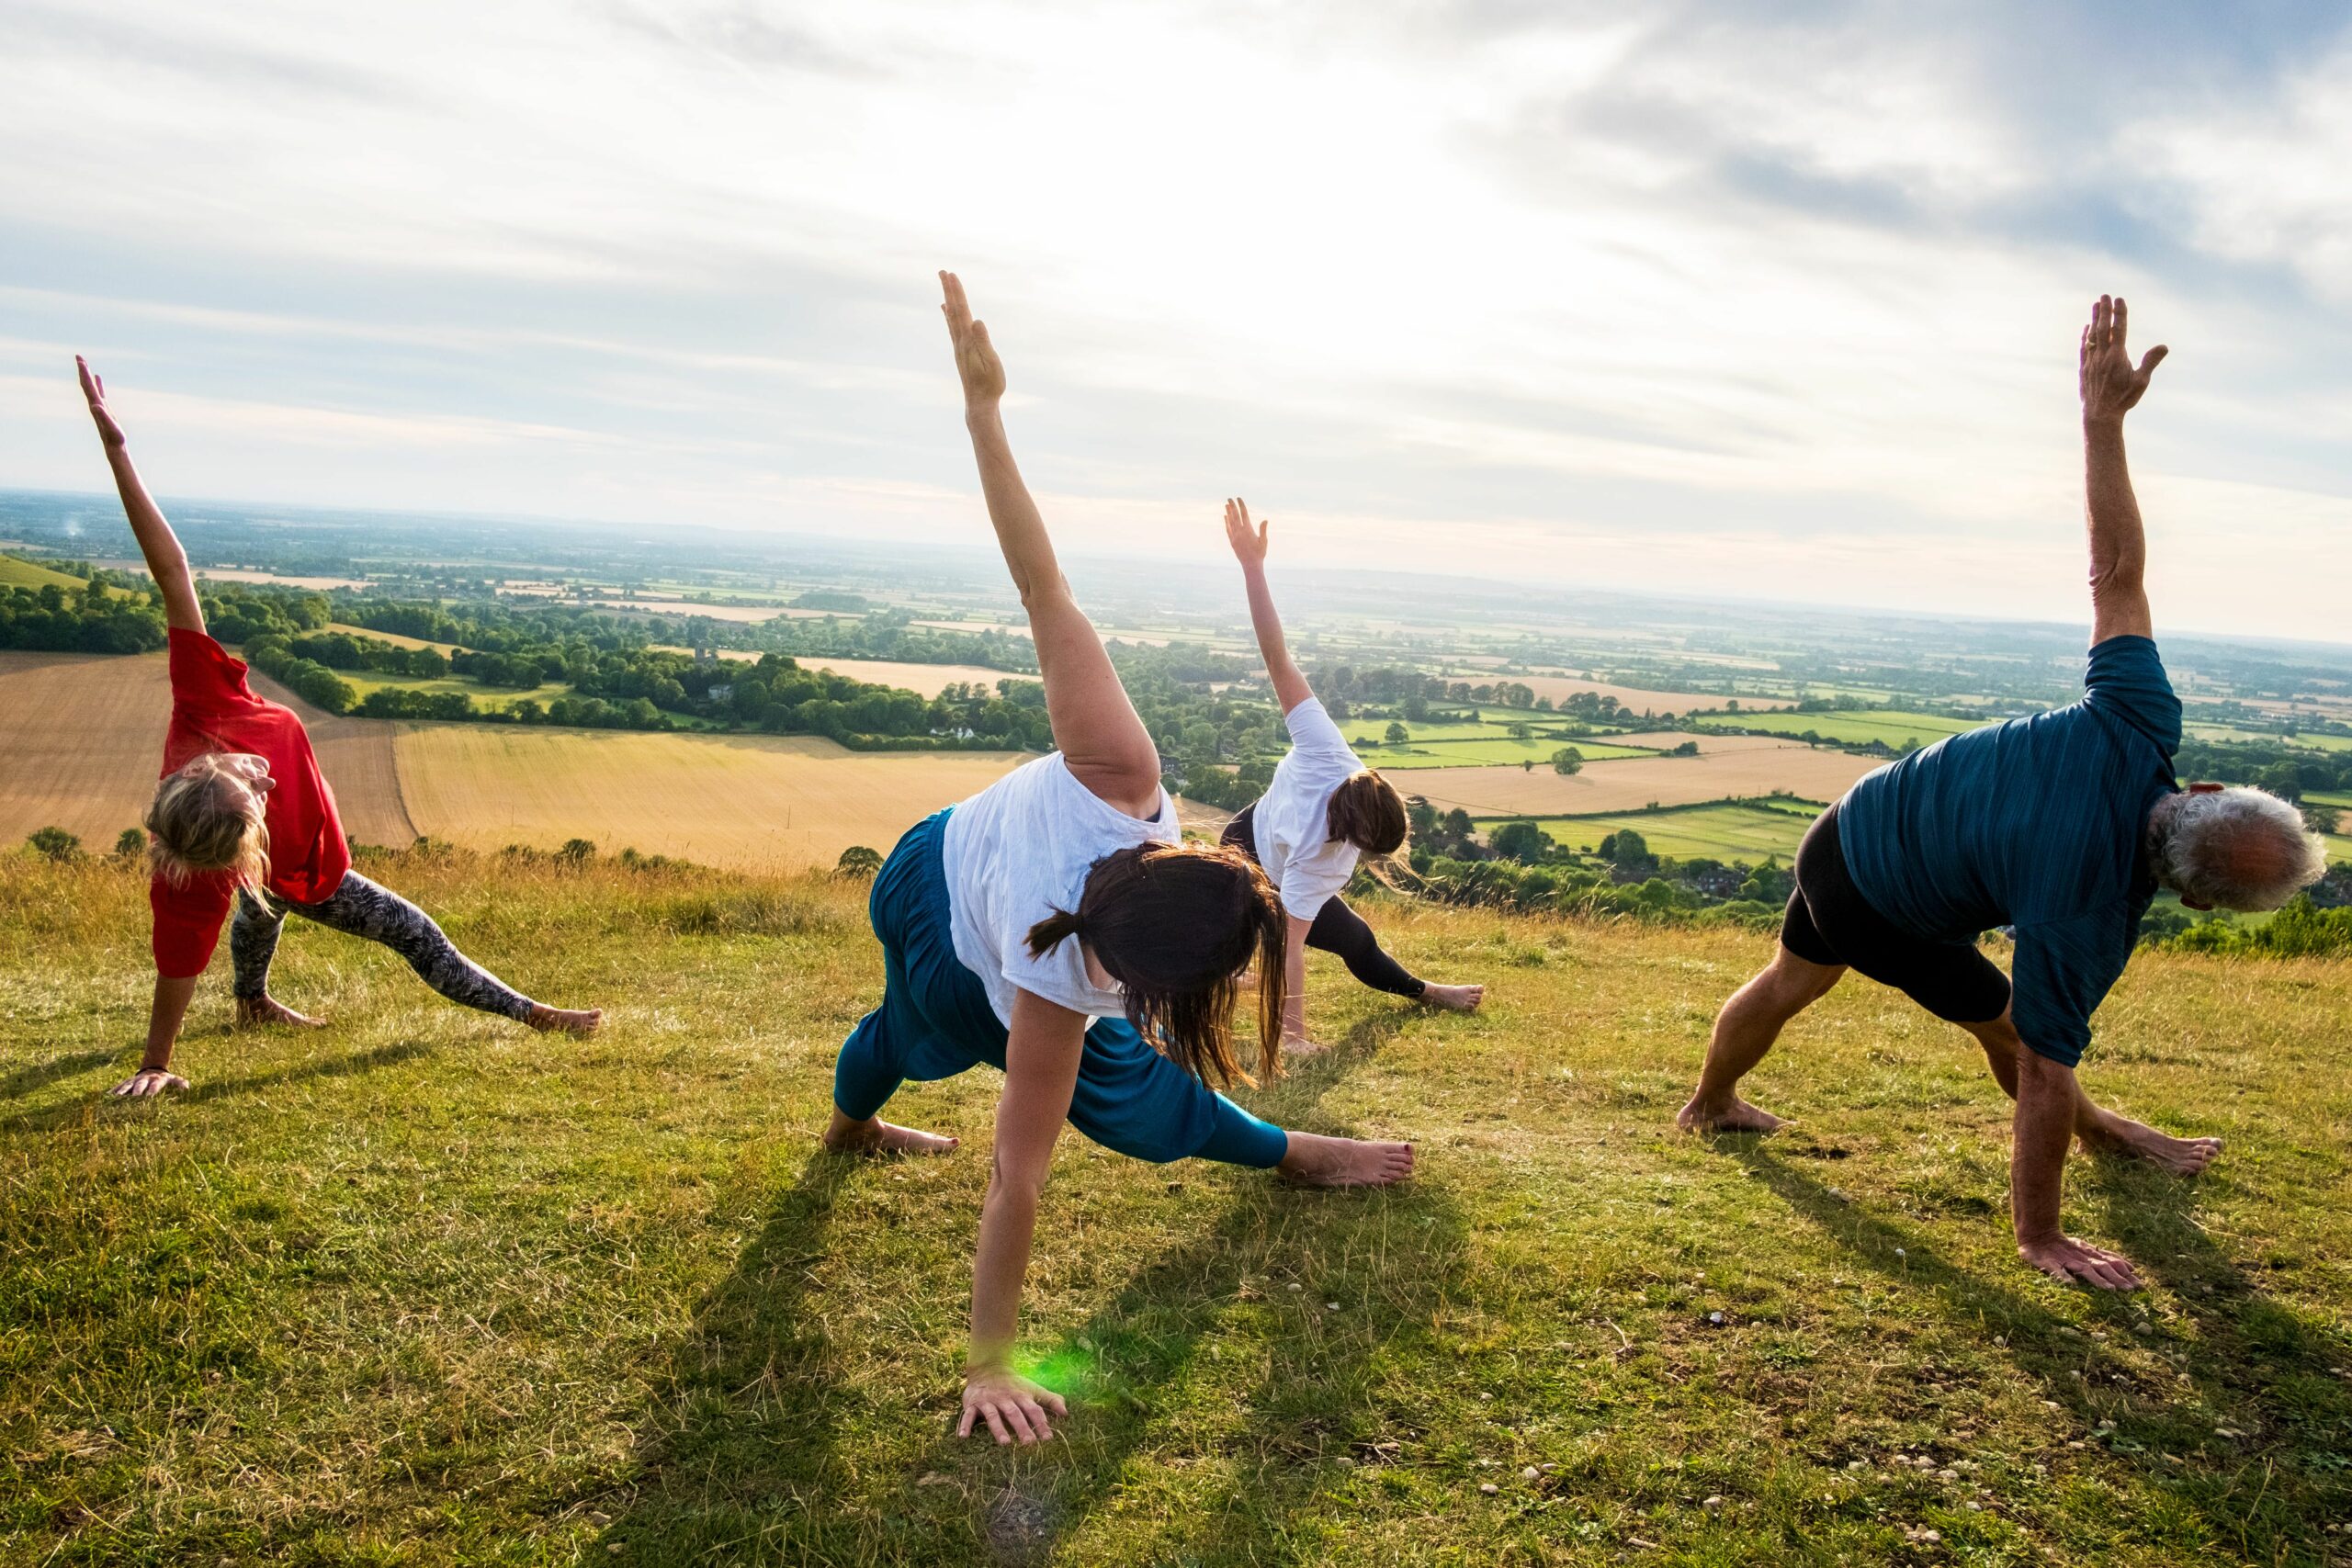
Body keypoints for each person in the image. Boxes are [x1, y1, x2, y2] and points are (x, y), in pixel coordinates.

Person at [825, 276, 1415, 1447]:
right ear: (1143, 987)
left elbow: (1042, 584)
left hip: (927, 861)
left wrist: (983, 413)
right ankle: (1292, 1153)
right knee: (1113, 1091)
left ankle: (850, 1129)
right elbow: (1017, 1181)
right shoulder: (1059, 999)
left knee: (908, 1029)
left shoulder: (1118, 770)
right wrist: (990, 1366)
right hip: (950, 904)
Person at [1675, 298, 2326, 1292]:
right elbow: (2041, 1073)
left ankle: (1710, 1102)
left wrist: (2100, 422)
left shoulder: (2136, 719)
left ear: (2205, 788)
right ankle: (2100, 1139)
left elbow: (2115, 575)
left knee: (1795, 980)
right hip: (1881, 897)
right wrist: (2041, 1237)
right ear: (2197, 900)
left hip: (1848, 821)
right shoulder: (2088, 914)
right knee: (2015, 1030)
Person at [75, 357, 602, 1101]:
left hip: (277, 864)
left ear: (201, 768)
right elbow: (176, 966)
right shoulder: (202, 877)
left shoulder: (202, 705)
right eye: (259, 805)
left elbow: (173, 573)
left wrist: (117, 450)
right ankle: (533, 1013)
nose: (266, 779)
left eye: (247, 779)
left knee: (262, 909)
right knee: (409, 929)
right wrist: (156, 1060)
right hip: (305, 871)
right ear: (240, 849)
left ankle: (253, 1001)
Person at [1216, 498, 1484, 1050]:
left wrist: (1252, 567)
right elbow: (1291, 947)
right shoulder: (1324, 856)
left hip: (1245, 829)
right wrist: (1294, 1036)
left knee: (1357, 939)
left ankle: (1428, 992)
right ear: (1357, 839)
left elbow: (1277, 658)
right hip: (1245, 859)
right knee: (1257, 942)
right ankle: (1227, 982)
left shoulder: (1329, 751)